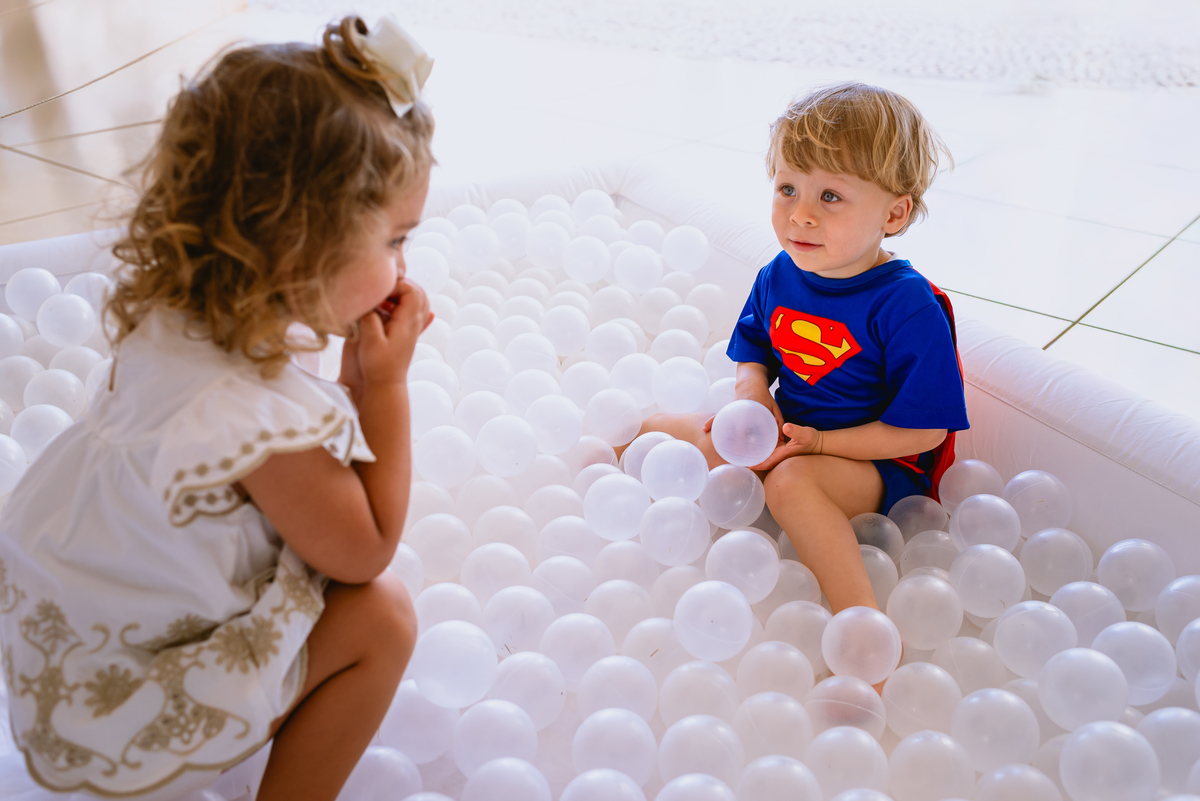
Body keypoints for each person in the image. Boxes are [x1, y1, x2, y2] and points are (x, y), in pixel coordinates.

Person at [0, 16, 434, 801]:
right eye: (395, 240)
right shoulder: (247, 418)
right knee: (384, 618)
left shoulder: (180, 319)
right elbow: (366, 547)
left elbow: (265, 482)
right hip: (134, 712)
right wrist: (389, 388)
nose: (405, 264)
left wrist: (348, 381)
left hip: (70, 665)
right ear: (302, 243)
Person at [642, 82, 969, 616]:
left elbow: (926, 430)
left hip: (872, 463)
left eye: (830, 197)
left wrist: (820, 444)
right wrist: (751, 394)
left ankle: (861, 621)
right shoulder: (781, 272)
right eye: (788, 188)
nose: (801, 215)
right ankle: (606, 467)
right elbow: (756, 348)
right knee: (679, 436)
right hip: (791, 431)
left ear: (893, 215)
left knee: (790, 484)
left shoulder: (907, 305)